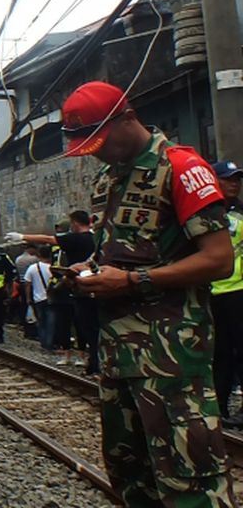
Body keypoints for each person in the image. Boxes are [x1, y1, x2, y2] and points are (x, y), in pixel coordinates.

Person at [64, 81, 236, 506]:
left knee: (189, 479)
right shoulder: (108, 180)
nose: (97, 152)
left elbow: (219, 259)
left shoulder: (182, 168)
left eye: (100, 141)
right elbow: (122, 252)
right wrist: (89, 271)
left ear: (127, 117)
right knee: (131, 474)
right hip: (117, 355)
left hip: (173, 357)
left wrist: (133, 282)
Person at [8, 210, 100, 373]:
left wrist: (22, 237)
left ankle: (92, 363)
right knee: (89, 326)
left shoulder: (75, 238)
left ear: (75, 223)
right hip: (95, 285)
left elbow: (48, 239)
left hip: (77, 286)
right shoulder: (96, 238)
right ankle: (89, 360)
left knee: (84, 326)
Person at [209, 161, 243, 428]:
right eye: (229, 179)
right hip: (210, 293)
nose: (235, 184)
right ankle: (217, 407)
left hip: (238, 293)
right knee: (218, 354)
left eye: (237, 179)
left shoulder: (241, 212)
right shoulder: (204, 211)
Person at [24, 246, 54, 352]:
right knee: (51, 323)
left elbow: (27, 284)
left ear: (39, 255)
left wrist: (28, 298)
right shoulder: (53, 268)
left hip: (38, 299)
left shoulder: (33, 268)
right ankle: (50, 344)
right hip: (52, 299)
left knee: (41, 323)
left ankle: (44, 344)